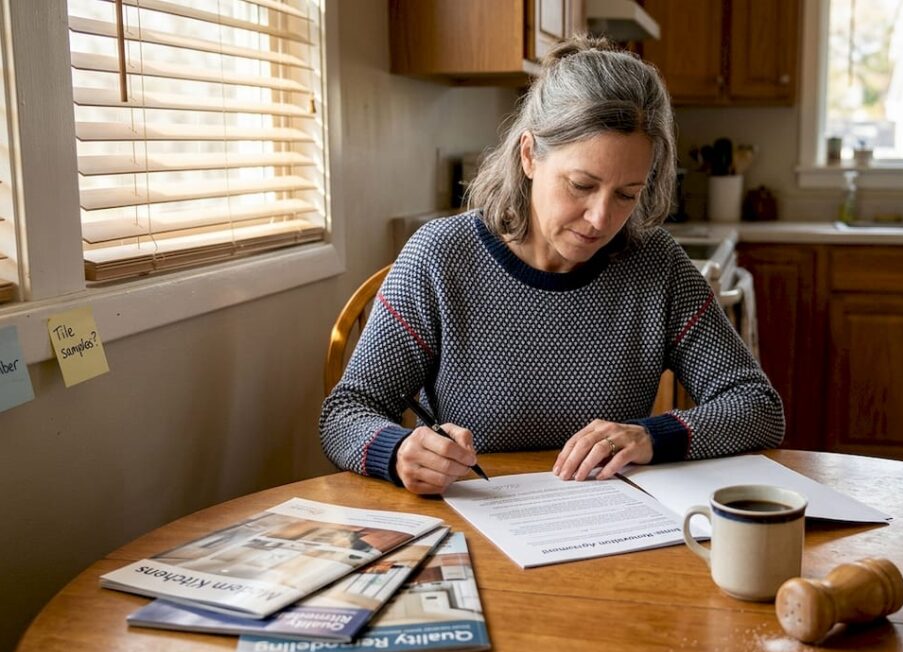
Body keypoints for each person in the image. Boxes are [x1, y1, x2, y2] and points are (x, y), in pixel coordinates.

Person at [320, 36, 784, 495]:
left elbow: (758, 406)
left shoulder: (656, 264)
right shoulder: (440, 257)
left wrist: (651, 435)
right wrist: (399, 451)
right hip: (481, 521)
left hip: (614, 533)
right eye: (581, 185)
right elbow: (346, 412)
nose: (602, 219)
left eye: (627, 194)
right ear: (529, 155)